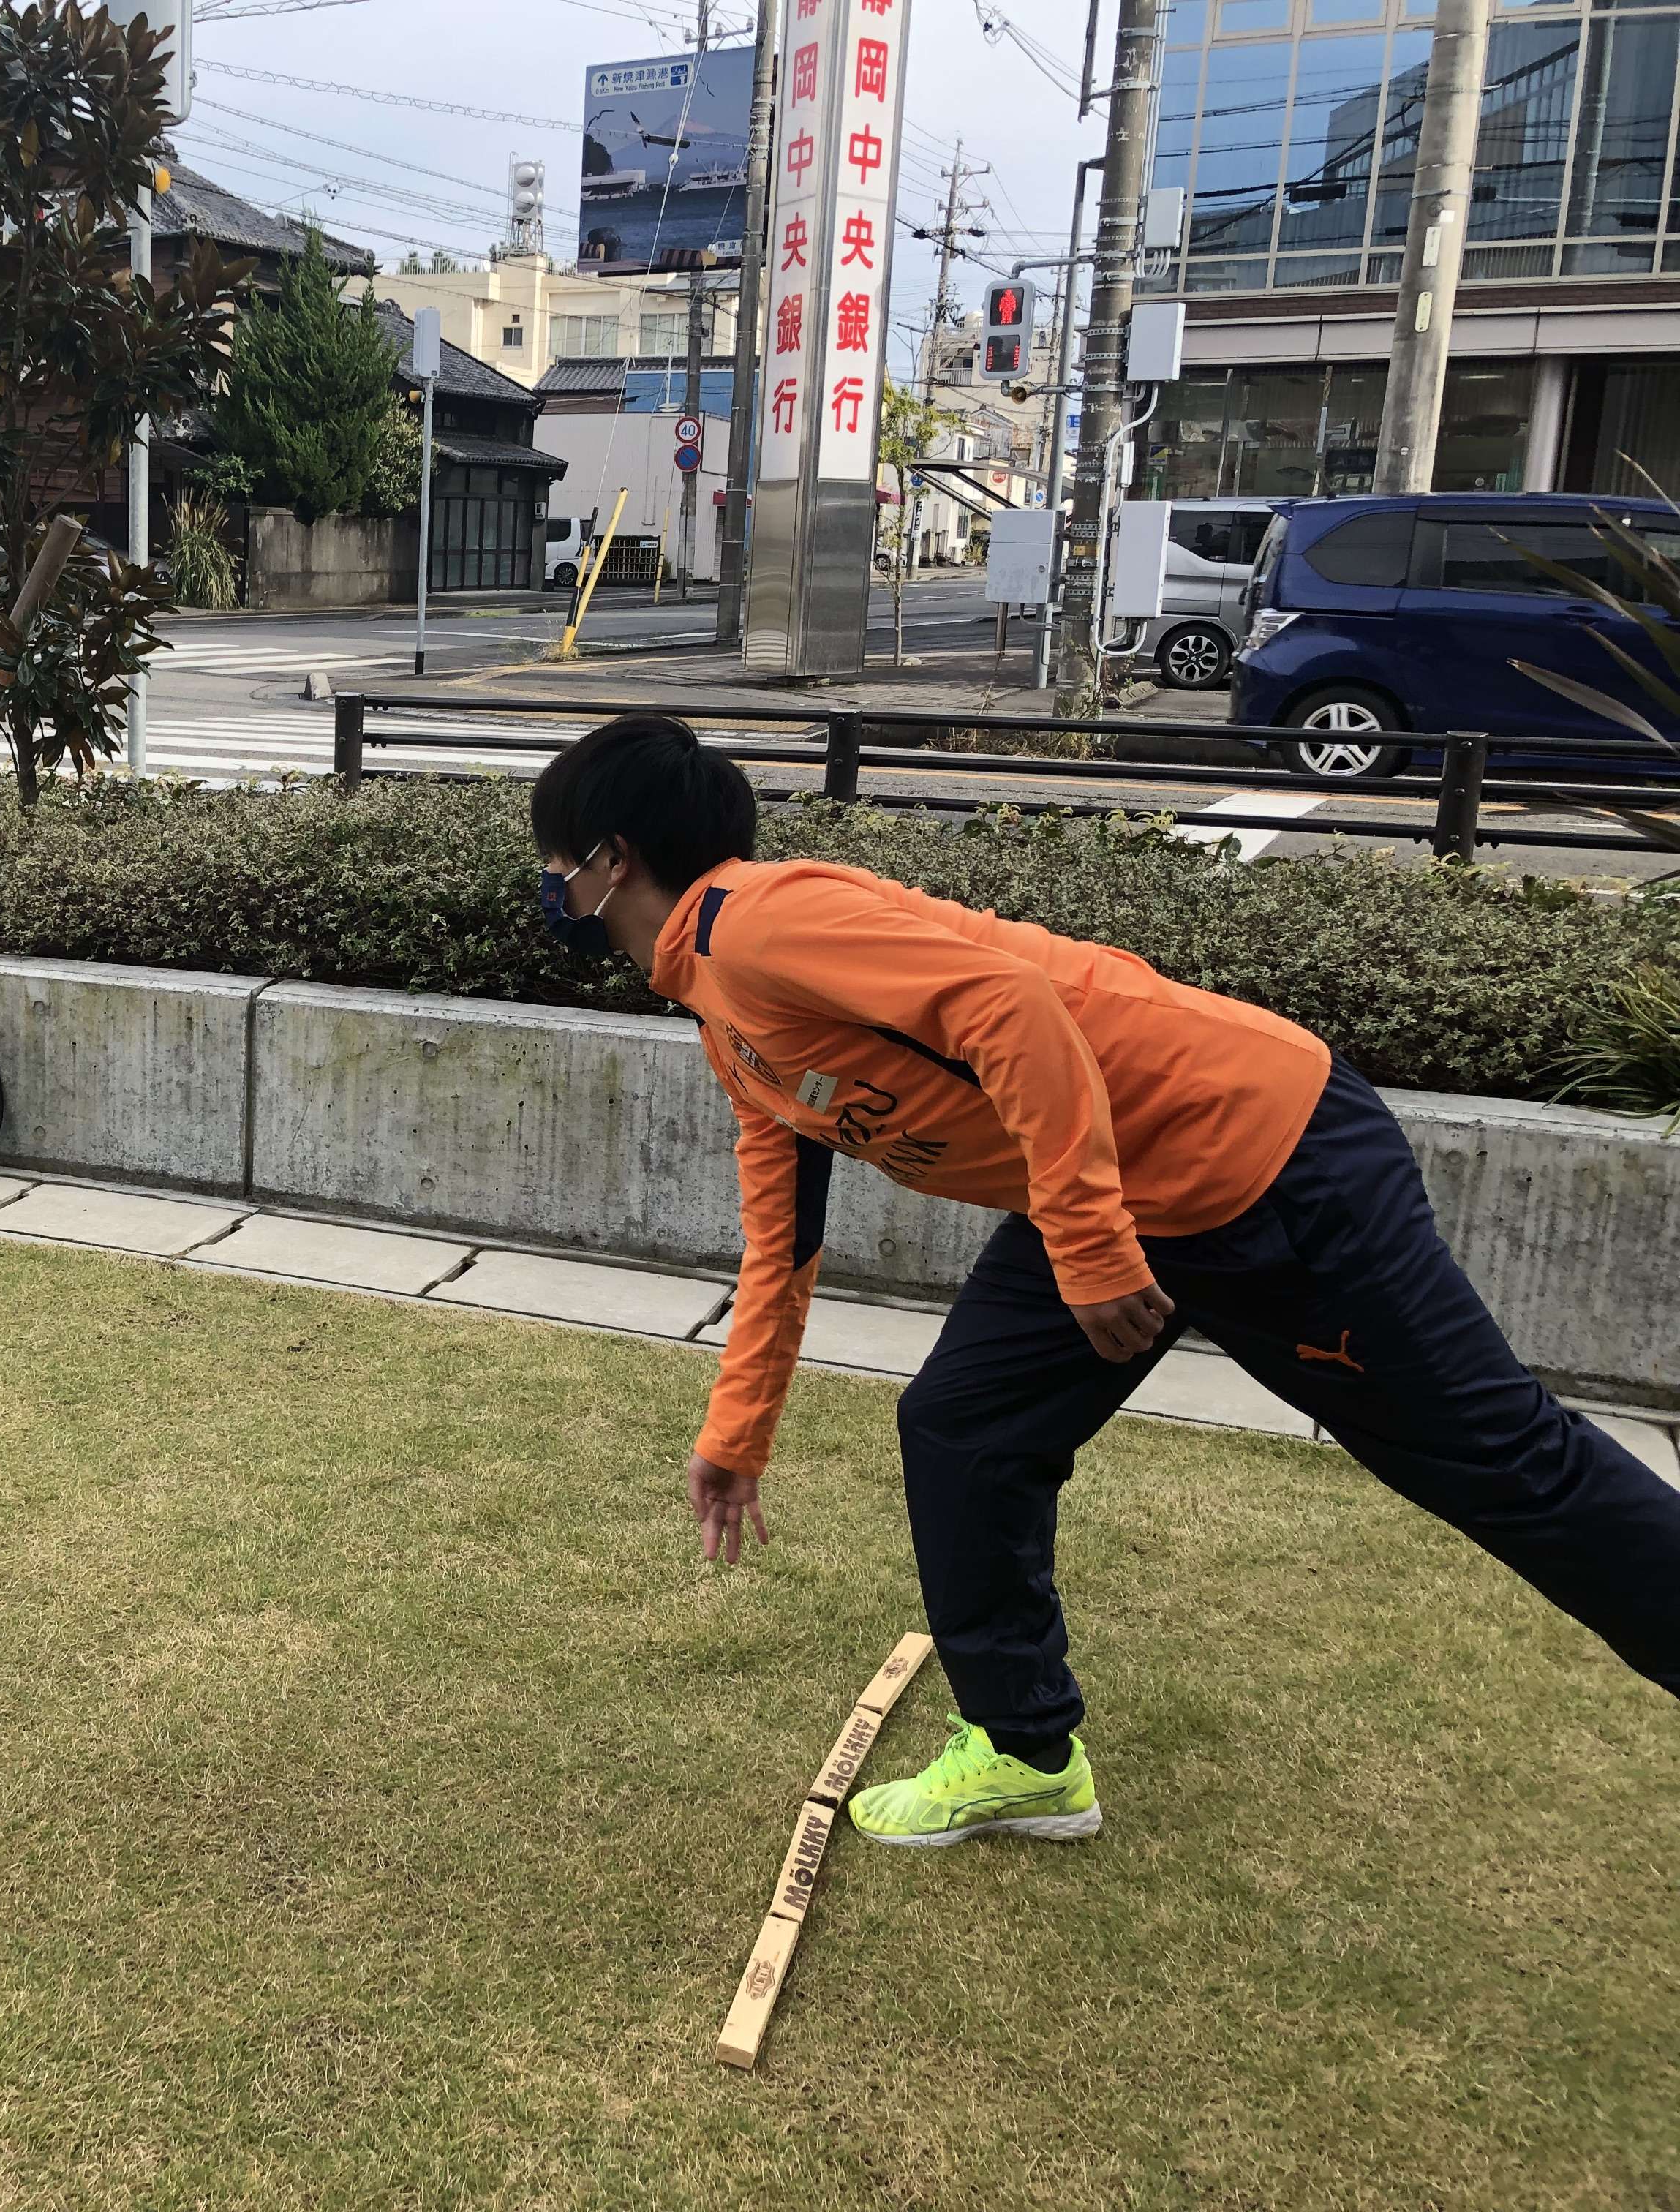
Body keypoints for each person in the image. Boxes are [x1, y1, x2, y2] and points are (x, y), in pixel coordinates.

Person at [530, 714, 1680, 1848]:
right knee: (963, 1428)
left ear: (611, 860)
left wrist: (1086, 1246)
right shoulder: (723, 1007)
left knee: (1497, 1462)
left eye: (555, 864)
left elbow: (1010, 1010)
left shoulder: (761, 925)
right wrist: (738, 1431)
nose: (549, 888)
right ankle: (1028, 1756)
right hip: (1100, 1185)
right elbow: (783, 1223)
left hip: (1257, 1156)